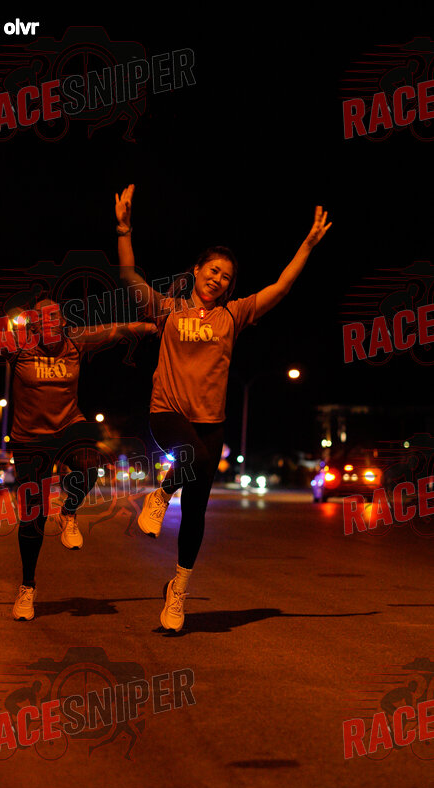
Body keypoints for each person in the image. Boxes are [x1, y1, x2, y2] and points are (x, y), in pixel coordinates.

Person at [115, 183, 332, 632]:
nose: (218, 280)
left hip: (211, 423)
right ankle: (159, 495)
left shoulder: (233, 315)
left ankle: (178, 589)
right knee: (191, 457)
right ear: (196, 270)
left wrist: (308, 245)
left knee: (196, 512)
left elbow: (282, 287)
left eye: (227, 277)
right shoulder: (169, 310)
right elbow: (130, 277)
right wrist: (123, 230)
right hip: (168, 413)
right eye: (213, 271)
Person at [0, 293, 156, 621]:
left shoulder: (76, 341)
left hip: (68, 427)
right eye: (42, 320)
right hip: (30, 439)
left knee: (91, 467)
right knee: (34, 515)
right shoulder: (17, 344)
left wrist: (148, 327)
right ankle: (27, 587)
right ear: (33, 327)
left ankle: (69, 512)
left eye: (54, 318)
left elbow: (114, 330)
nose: (49, 324)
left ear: (63, 322)